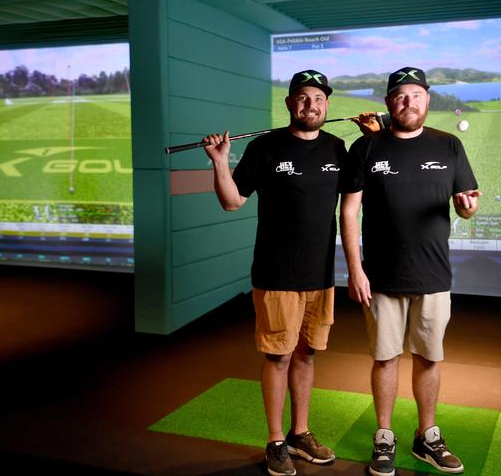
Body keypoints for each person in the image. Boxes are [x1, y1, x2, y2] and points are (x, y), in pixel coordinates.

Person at [202, 69, 345, 476]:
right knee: (279, 356)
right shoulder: (266, 148)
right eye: (302, 97)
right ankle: (275, 440)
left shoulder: (338, 148)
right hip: (276, 273)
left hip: (320, 276)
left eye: (318, 98)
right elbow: (232, 202)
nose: (311, 104)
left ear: (327, 105)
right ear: (289, 103)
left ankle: (301, 434)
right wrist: (219, 162)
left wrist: (375, 137)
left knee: (307, 354)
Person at [340, 67, 481, 476]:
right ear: (388, 102)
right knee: (385, 359)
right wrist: (354, 269)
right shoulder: (366, 148)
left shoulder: (449, 145)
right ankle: (384, 436)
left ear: (427, 100)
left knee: (428, 357)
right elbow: (348, 212)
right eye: (400, 95)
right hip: (381, 276)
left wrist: (468, 207)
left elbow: (463, 203)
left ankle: (427, 436)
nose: (409, 102)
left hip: (434, 276)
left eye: (416, 95)